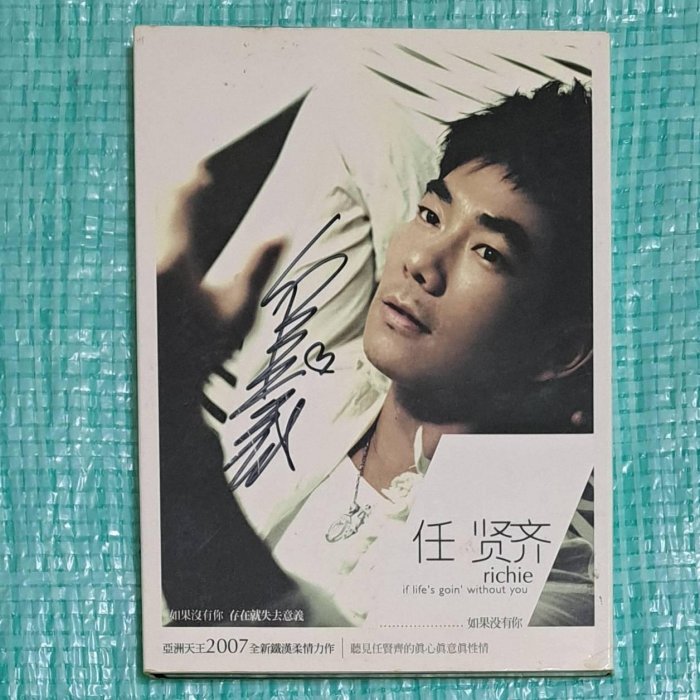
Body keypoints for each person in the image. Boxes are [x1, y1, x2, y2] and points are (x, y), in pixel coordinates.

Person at [157, 79, 594, 627]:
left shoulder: (541, 568)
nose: (420, 262)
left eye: (489, 253)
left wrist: (170, 411)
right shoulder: (318, 361)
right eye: (430, 215)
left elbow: (315, 661)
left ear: (561, 350)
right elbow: (350, 108)